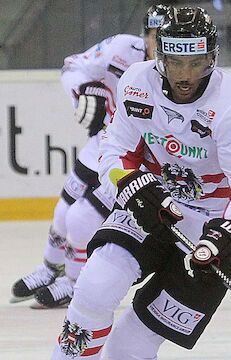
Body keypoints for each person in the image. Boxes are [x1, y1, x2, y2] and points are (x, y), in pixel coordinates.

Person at [51, 6, 231, 359]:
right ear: (160, 56)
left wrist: (229, 232)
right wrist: (129, 185)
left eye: (197, 62)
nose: (185, 75)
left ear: (213, 57)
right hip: (153, 204)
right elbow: (113, 152)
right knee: (94, 287)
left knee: (128, 348)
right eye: (175, 62)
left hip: (214, 226)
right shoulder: (137, 83)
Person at [11, 4, 171, 308]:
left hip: (139, 161)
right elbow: (73, 66)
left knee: (81, 219)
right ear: (145, 35)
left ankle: (73, 282)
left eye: (165, 37)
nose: (158, 45)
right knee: (62, 213)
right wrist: (87, 93)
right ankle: (49, 268)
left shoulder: (181, 76)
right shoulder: (122, 49)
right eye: (154, 35)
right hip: (104, 145)